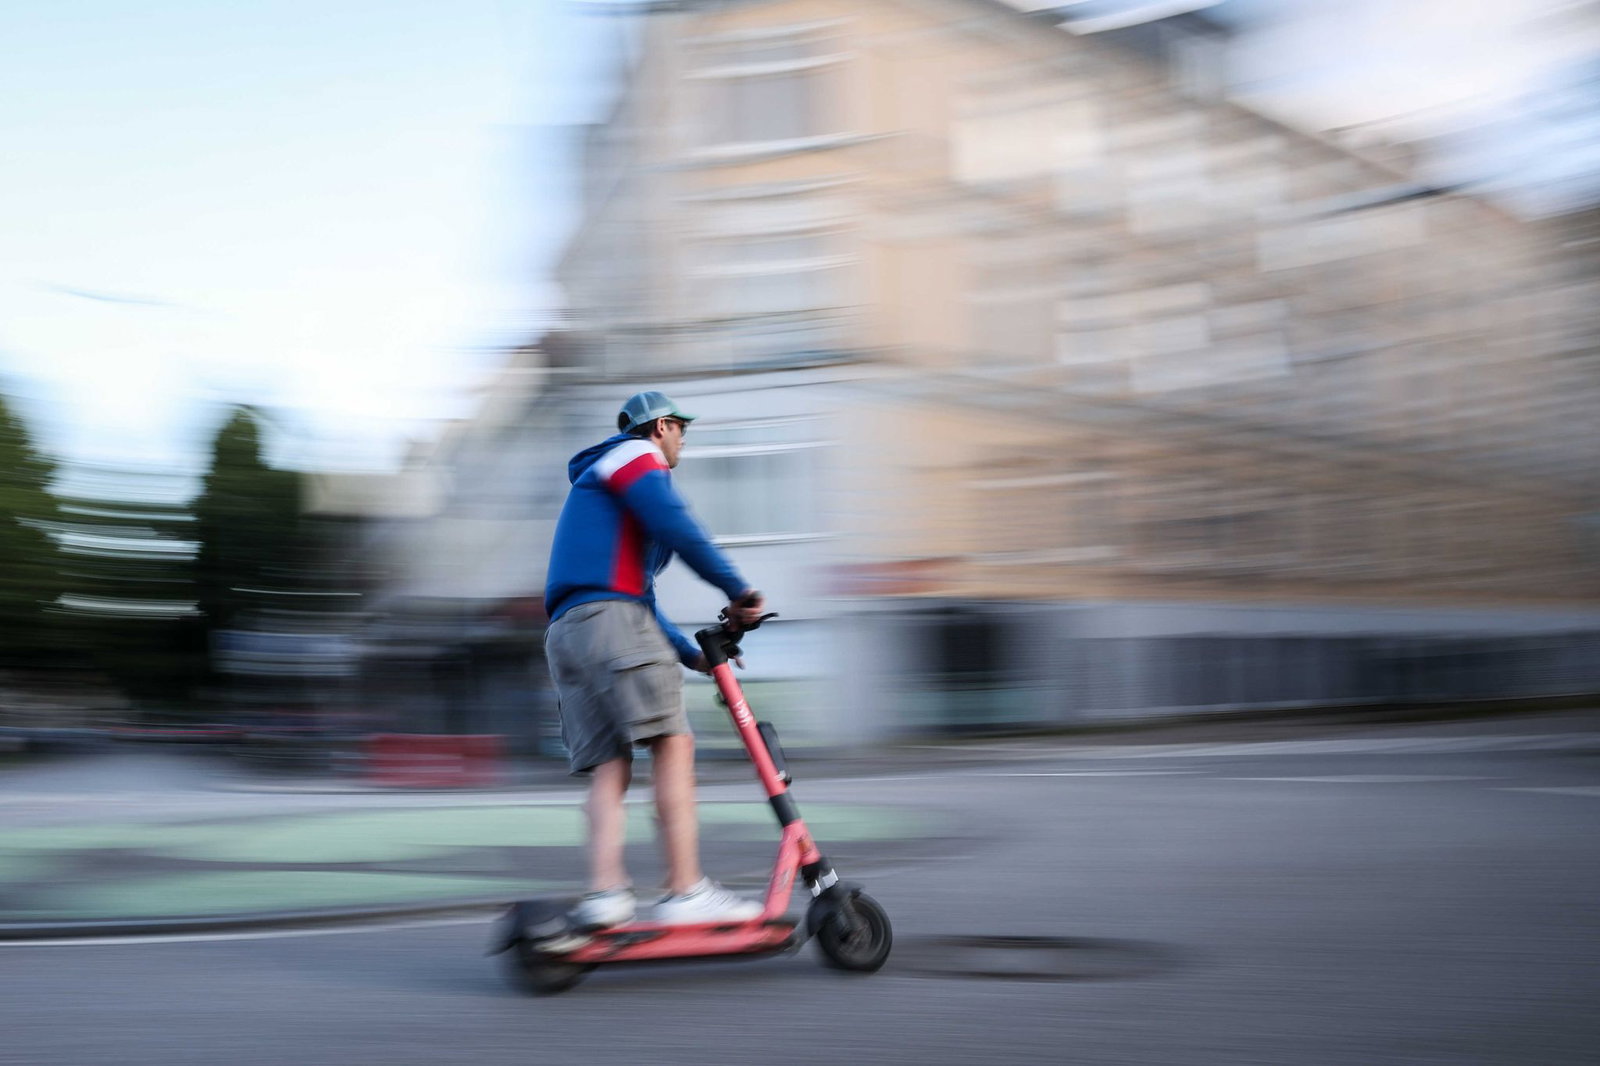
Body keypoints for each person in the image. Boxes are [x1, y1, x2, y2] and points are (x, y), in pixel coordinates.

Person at [543, 390, 768, 929]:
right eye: (680, 430)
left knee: (611, 765)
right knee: (673, 742)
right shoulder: (634, 457)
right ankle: (686, 889)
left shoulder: (604, 478)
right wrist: (738, 589)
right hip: (612, 622)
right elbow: (680, 528)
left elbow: (637, 592)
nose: (683, 440)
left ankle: (605, 894)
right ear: (661, 426)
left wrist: (689, 656)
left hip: (568, 633)